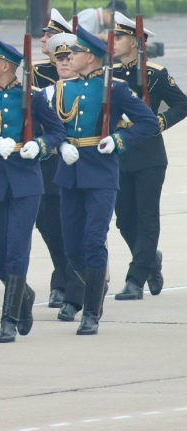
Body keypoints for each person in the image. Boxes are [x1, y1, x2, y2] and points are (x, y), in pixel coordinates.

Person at [49, 28, 158, 335]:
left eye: (76, 53)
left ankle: (92, 311)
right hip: (69, 172)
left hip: (100, 171)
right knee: (72, 246)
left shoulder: (115, 88)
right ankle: (90, 290)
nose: (69, 58)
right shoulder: (63, 88)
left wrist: (119, 141)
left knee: (94, 240)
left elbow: (147, 122)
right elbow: (53, 126)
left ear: (91, 58)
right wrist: (60, 144)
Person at [0, 35, 66, 343]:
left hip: (25, 181)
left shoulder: (32, 96)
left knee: (17, 249)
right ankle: (24, 293)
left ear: (6, 66)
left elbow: (57, 131)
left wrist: (40, 145)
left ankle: (8, 319)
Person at [110, 13, 186, 300]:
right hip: (119, 151)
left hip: (148, 154)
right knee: (124, 220)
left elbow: (182, 104)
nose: (113, 42)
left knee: (146, 216)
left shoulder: (154, 73)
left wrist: (160, 123)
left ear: (134, 41)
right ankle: (150, 259)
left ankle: (135, 278)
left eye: (118, 37)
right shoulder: (110, 73)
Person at [33, 10, 81, 314]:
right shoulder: (43, 92)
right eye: (58, 57)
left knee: (76, 231)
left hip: (83, 168)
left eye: (69, 57)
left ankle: (73, 288)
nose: (63, 62)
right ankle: (64, 278)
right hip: (49, 167)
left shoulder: (100, 88)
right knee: (49, 228)